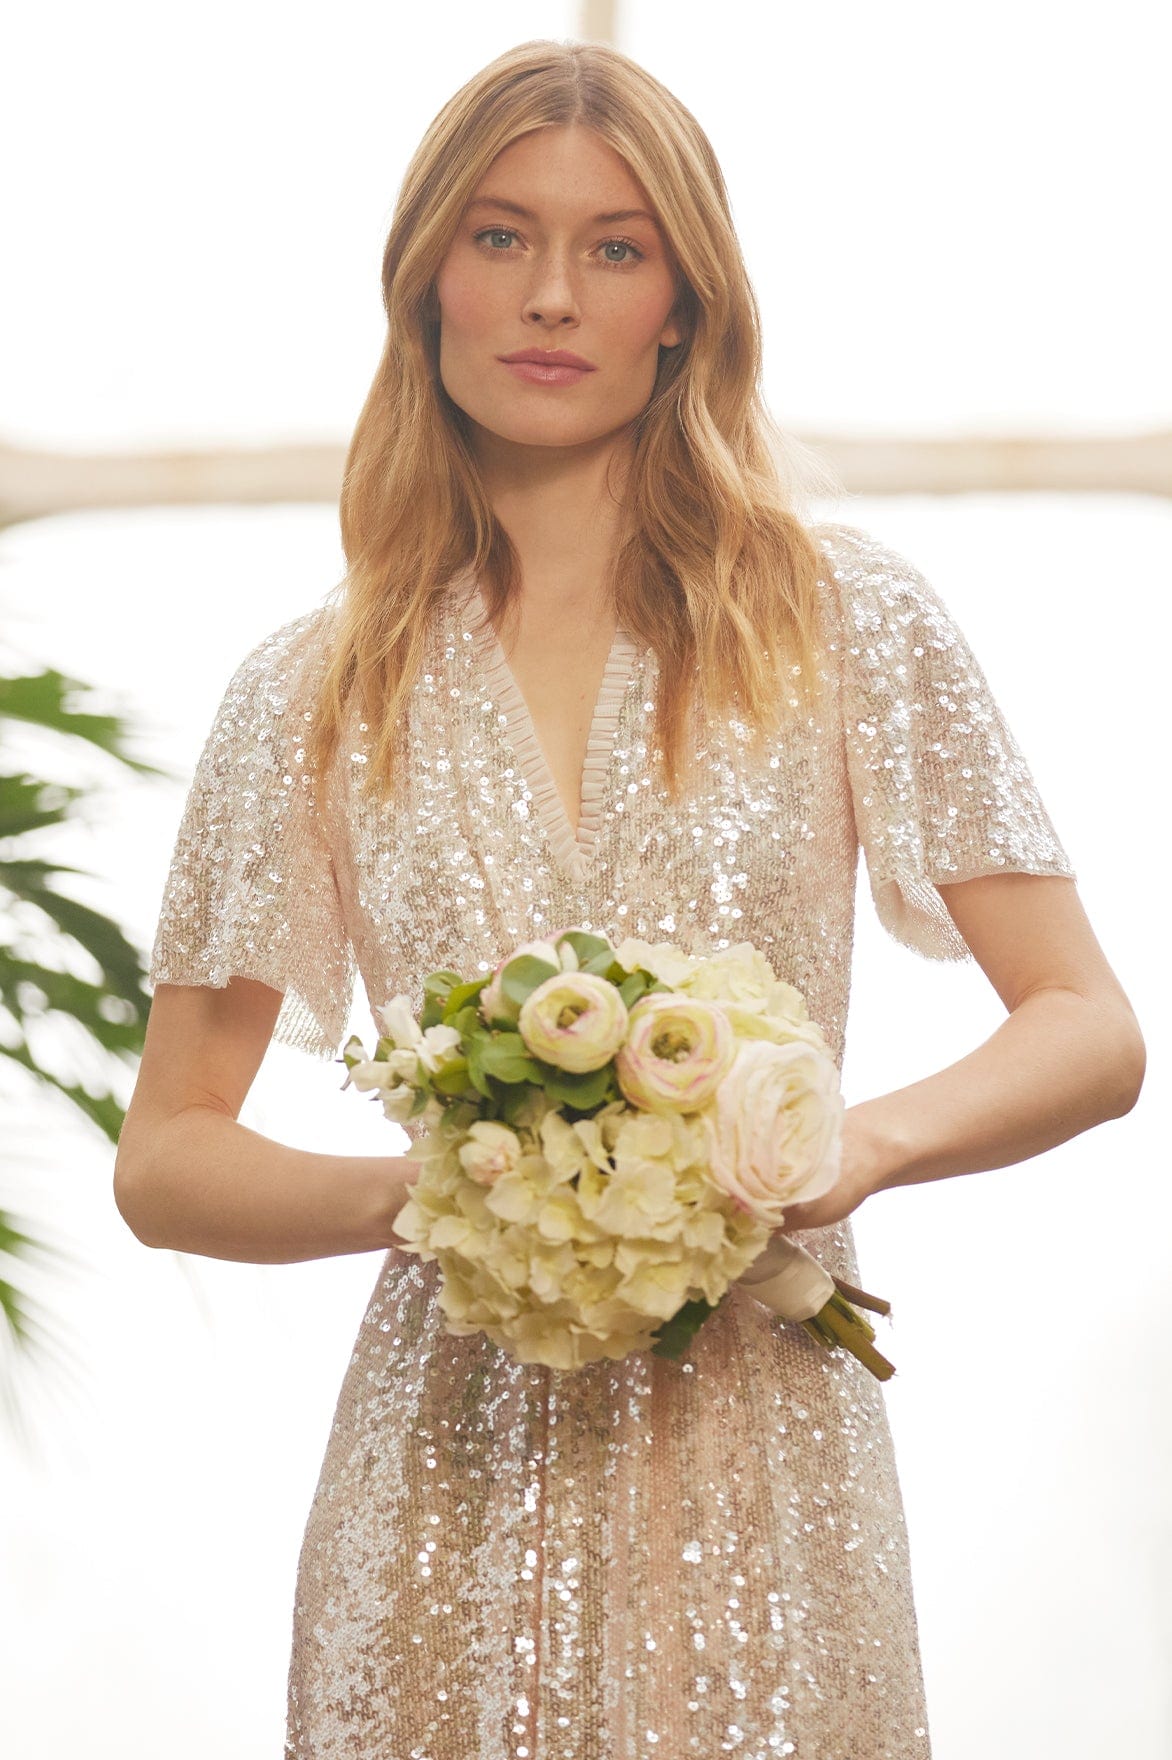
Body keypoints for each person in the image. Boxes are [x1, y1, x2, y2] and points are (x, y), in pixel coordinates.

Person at [113, 38, 1145, 1760]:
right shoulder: (310, 692)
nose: (552, 296)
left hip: (768, 1454)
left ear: (684, 303)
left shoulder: (844, 622)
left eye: (615, 247)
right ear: (427, 276)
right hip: (437, 1478)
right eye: (501, 236)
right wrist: (451, 1198)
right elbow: (166, 1154)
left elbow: (1090, 1028)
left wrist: (846, 1150)